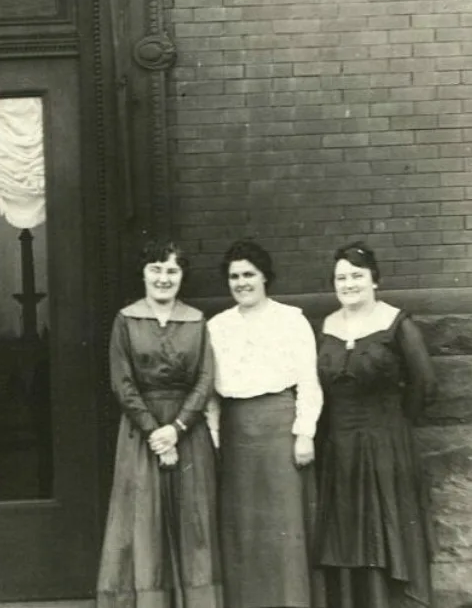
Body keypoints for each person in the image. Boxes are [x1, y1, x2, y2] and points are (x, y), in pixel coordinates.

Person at [97, 241, 221, 608]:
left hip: (187, 433)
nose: (163, 278)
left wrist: (178, 428)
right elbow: (122, 382)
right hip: (142, 433)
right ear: (144, 273)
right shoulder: (126, 320)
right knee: (142, 522)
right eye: (156, 269)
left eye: (172, 271)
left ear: (182, 276)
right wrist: (155, 431)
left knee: (192, 520)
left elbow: (205, 378)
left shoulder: (196, 321)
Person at [315, 242, 435, 608]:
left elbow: (425, 383)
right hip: (340, 449)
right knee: (347, 535)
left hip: (386, 446)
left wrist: (395, 425)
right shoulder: (326, 325)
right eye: (341, 277)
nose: (348, 284)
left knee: (385, 530)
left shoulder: (397, 323)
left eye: (356, 276)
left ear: (374, 280)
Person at [207, 240, 324, 608]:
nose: (241, 283)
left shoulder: (291, 319)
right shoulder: (217, 326)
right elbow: (210, 393)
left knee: (283, 528)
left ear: (264, 278)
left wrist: (304, 432)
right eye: (234, 276)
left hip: (279, 430)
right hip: (236, 433)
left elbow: (309, 380)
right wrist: (214, 438)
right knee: (243, 531)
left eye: (249, 274)